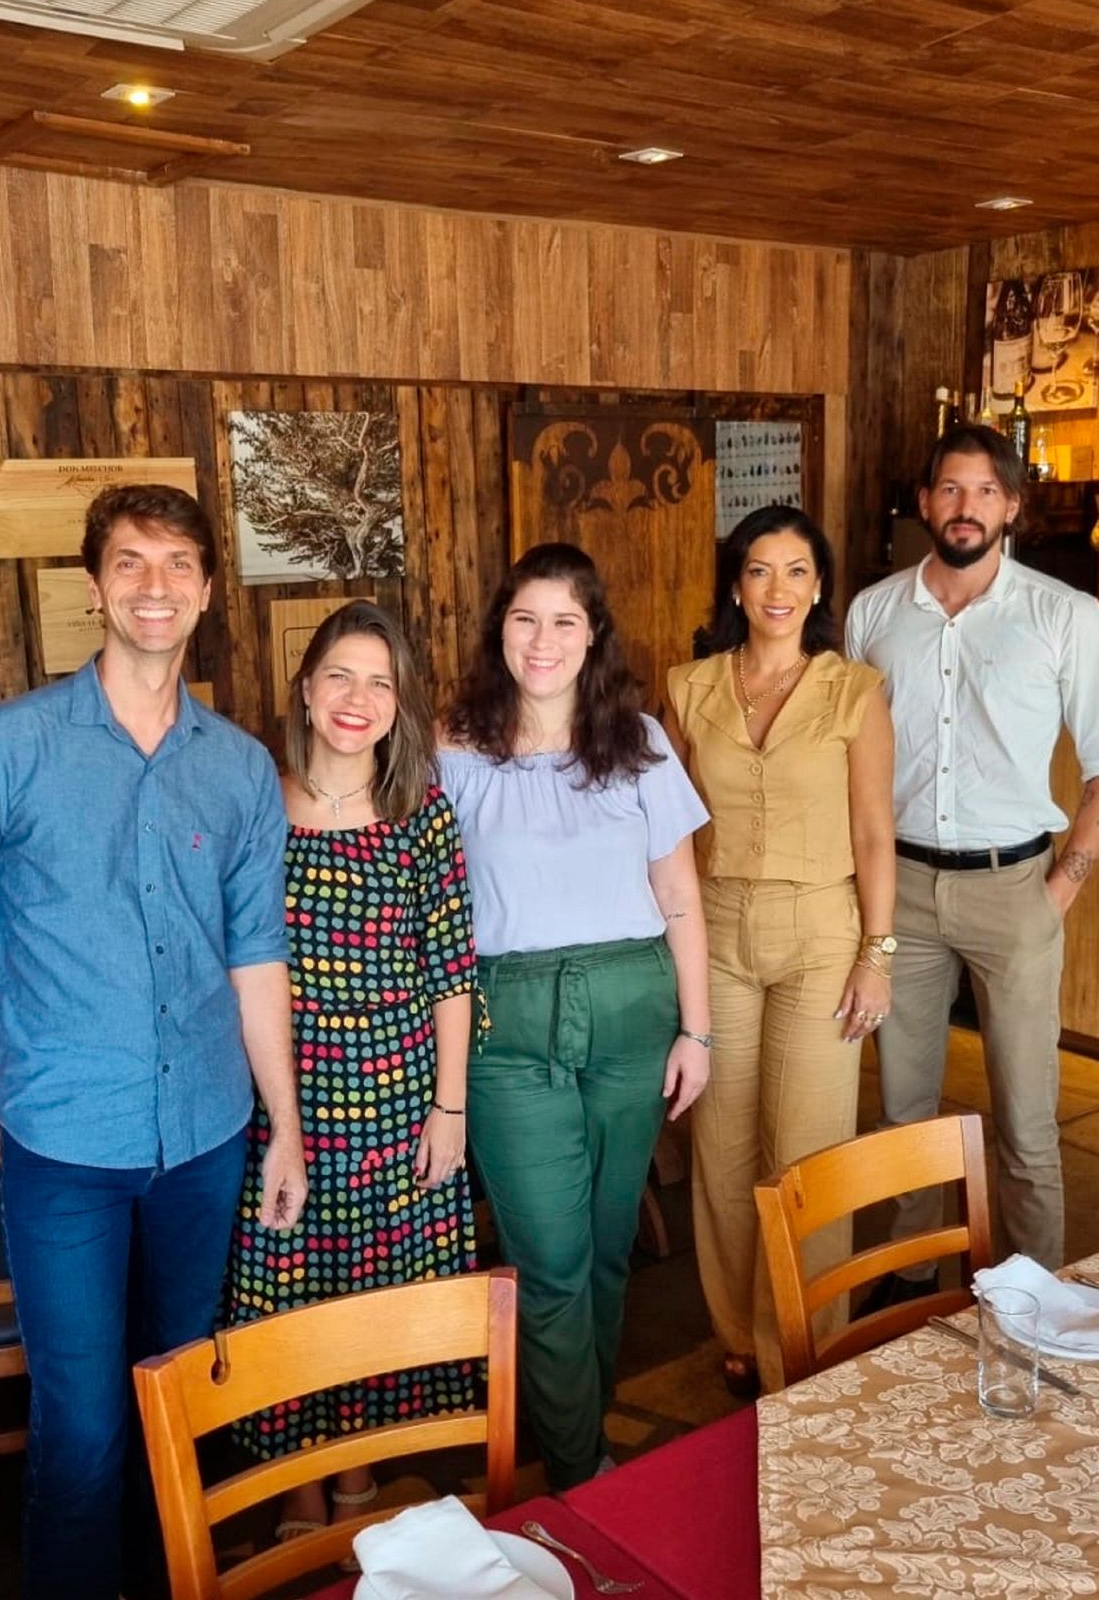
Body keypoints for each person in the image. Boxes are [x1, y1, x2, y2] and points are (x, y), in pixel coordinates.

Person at [0, 485, 306, 1600]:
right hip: (66, 1150)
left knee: (170, 1406)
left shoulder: (234, 767)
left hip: (205, 1140)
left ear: (207, 593)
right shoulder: (5, 751)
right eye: (131, 564)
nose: (155, 587)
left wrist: (282, 1126)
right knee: (82, 1434)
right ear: (97, 588)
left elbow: (255, 957)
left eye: (178, 565)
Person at [439, 542, 710, 1491]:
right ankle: (582, 1471)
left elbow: (678, 894)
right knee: (549, 1260)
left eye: (565, 620)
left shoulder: (639, 741)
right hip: (507, 1022)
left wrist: (698, 1030)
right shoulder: (455, 752)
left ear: (592, 635)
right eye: (525, 619)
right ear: (498, 632)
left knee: (603, 1252)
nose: (542, 639)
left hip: (634, 1008)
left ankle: (578, 1438)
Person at [226, 600, 477, 1536]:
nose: (357, 698)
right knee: (290, 1290)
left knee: (374, 1295)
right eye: (340, 674)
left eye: (380, 681)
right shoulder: (256, 800)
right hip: (281, 1095)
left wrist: (449, 1109)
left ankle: (363, 1489)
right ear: (305, 685)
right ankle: (299, 1497)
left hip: (396, 1099)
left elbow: (453, 967)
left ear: (401, 702)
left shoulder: (422, 810)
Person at [846, 424, 1099, 1299]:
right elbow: (850, 758)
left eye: (985, 491)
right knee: (902, 1112)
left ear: (1013, 507)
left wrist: (1057, 889)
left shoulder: (1063, 616)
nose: (966, 507)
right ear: (926, 503)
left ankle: (1034, 1293)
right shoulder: (873, 613)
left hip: (1016, 888)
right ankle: (910, 1284)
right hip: (905, 893)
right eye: (951, 490)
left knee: (1029, 1124)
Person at [665, 505, 895, 1395]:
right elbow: (671, 831)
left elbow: (875, 832)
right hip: (716, 932)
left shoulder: (854, 691)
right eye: (760, 570)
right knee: (721, 1150)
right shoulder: (688, 687)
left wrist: (877, 952)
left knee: (807, 1150)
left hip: (821, 935)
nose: (778, 589)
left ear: (820, 587)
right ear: (735, 583)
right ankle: (737, 1329)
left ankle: (798, 1339)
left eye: (797, 571)